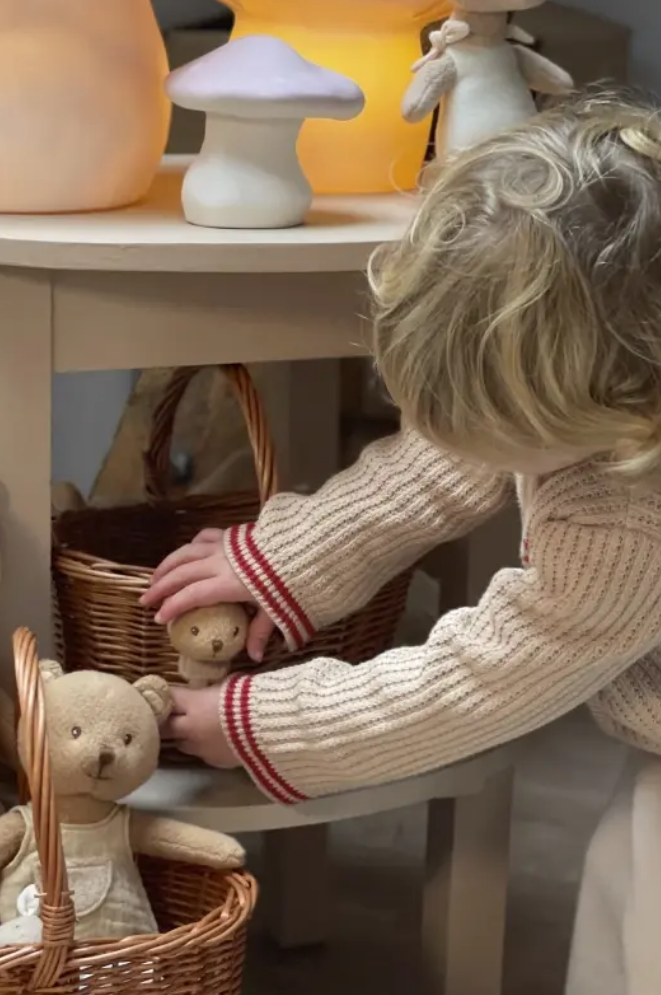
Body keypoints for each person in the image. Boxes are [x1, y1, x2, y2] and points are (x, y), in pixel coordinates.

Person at [142, 91, 661, 995]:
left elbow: (475, 683)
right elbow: (449, 461)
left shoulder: (626, 525)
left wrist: (264, 724)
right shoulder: (607, 382)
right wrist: (286, 560)